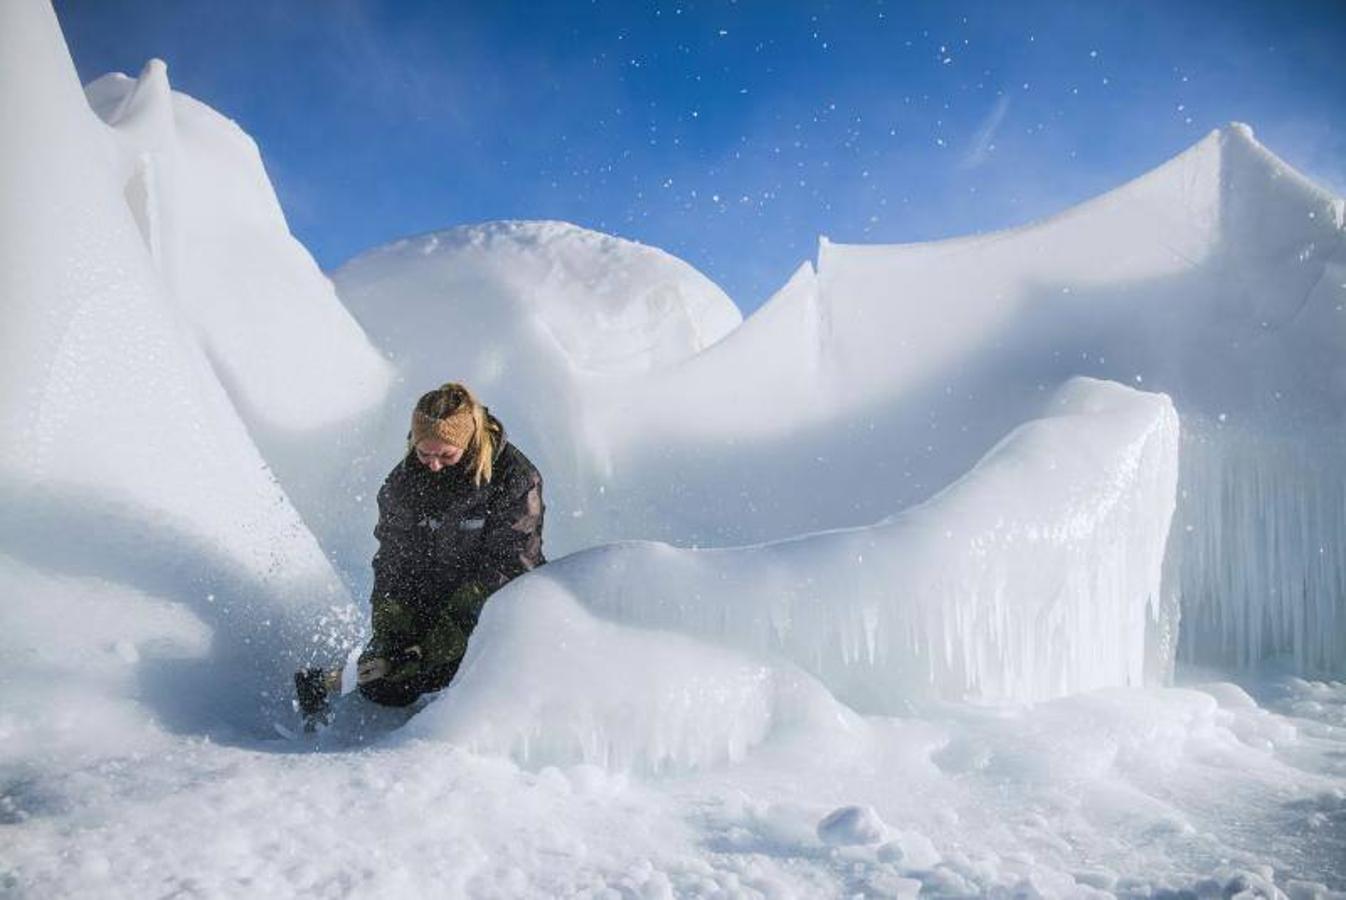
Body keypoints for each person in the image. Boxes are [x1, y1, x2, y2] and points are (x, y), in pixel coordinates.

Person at [296, 383, 545, 722]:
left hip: (493, 605)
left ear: (468, 442)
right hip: (431, 595)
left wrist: (445, 638)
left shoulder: (514, 478)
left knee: (460, 677)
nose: (434, 465)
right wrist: (394, 632)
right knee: (386, 688)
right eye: (425, 454)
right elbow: (393, 562)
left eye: (446, 455)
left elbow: (510, 565)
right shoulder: (403, 484)